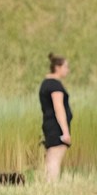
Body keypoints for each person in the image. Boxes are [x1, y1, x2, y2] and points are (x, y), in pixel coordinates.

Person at [38, 54, 72, 182]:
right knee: (55, 159)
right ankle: (52, 187)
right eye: (66, 67)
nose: (67, 70)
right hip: (56, 127)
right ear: (57, 67)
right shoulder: (54, 85)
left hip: (49, 125)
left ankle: (48, 186)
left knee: (51, 159)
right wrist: (65, 132)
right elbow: (59, 108)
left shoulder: (46, 83)